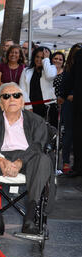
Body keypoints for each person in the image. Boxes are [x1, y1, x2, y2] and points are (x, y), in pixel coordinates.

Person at [0, 82, 52, 235]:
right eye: (6, 96)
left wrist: (20, 162)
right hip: (0, 155)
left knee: (43, 159)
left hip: (28, 158)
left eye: (16, 95)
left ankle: (30, 218)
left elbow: (37, 145)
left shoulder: (36, 120)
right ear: (0, 103)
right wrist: (0, 159)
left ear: (22, 101)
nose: (12, 99)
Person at [19, 46, 58, 128]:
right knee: (32, 133)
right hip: (32, 106)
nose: (39, 60)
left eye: (42, 57)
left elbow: (50, 76)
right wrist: (28, 107)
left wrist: (46, 60)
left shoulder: (52, 68)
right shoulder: (26, 71)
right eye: (37, 57)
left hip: (48, 107)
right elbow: (22, 89)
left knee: (48, 134)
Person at [64, 43, 82, 177]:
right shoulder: (79, 55)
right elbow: (72, 78)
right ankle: (78, 166)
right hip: (78, 103)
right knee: (76, 135)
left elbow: (71, 78)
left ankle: (78, 166)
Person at [50, 51, 69, 173]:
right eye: (55, 58)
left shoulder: (66, 74)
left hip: (62, 107)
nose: (57, 61)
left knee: (60, 136)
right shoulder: (48, 71)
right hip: (49, 107)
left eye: (60, 59)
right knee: (50, 134)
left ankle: (57, 163)